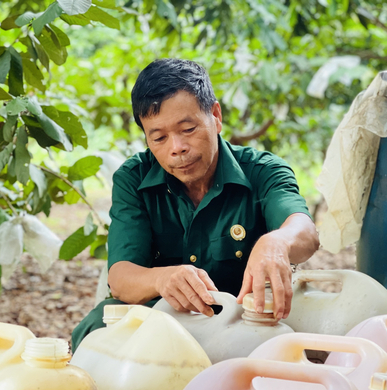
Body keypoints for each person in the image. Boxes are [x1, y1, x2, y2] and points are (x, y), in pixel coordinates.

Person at [71, 58, 319, 350]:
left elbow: (305, 233)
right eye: (160, 137)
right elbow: (122, 278)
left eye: (187, 129)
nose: (176, 148)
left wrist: (277, 242)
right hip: (161, 326)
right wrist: (163, 278)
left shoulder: (262, 170)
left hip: (246, 325)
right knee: (95, 332)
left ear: (215, 115)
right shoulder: (133, 179)